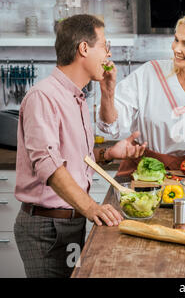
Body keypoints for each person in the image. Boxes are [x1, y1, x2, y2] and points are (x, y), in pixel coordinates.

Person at [13, 14, 147, 278]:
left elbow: (75, 159)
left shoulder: (76, 97)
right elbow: (49, 167)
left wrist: (108, 154)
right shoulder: (44, 96)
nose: (108, 55)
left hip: (69, 223)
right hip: (46, 228)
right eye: (105, 46)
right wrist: (92, 208)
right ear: (84, 48)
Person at [97, 11, 185, 176]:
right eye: (176, 40)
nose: (176, 48)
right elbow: (110, 125)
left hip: (183, 175)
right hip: (138, 171)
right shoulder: (151, 72)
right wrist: (107, 93)